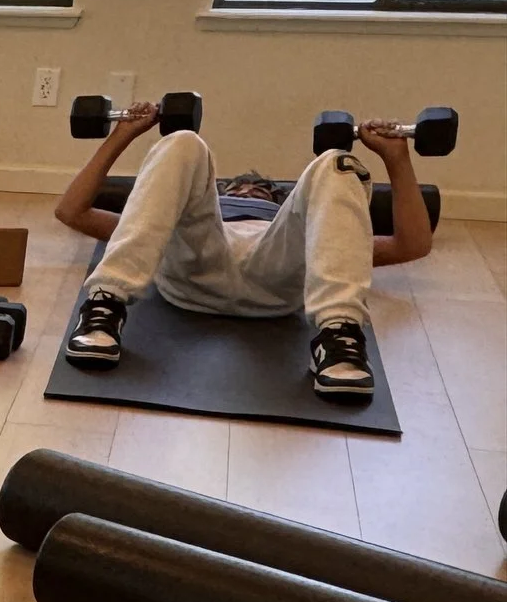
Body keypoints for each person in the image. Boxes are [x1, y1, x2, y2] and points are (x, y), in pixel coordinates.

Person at [52, 102, 431, 399]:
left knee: (337, 162)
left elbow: (411, 245)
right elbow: (71, 211)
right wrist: (123, 135)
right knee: (183, 141)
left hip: (276, 281)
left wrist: (397, 160)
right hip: (195, 269)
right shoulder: (184, 219)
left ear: (277, 201)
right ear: (221, 195)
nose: (248, 191)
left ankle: (339, 339)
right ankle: (105, 307)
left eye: (261, 191)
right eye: (238, 189)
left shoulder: (305, 232)